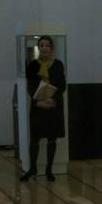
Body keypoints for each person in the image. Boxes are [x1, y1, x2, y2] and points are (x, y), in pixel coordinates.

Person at [21, 36, 67, 182]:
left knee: (51, 139)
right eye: (42, 45)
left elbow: (62, 86)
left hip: (53, 107)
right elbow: (30, 87)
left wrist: (52, 100)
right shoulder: (32, 65)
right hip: (38, 107)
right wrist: (38, 102)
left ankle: (49, 170)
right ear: (38, 48)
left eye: (47, 45)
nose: (44, 48)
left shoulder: (58, 64)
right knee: (34, 139)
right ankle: (33, 169)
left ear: (51, 48)